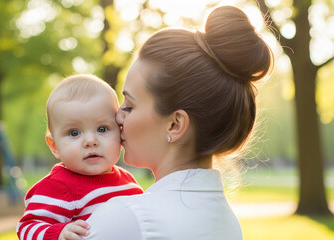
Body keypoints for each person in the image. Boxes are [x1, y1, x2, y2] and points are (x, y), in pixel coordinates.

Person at [83, 5, 274, 240]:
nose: (117, 116)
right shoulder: (228, 223)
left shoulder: (127, 218)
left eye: (130, 106)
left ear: (175, 124)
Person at [17, 74, 143, 240]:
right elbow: (27, 228)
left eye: (103, 129)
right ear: (55, 146)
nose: (90, 141)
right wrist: (58, 233)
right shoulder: (57, 187)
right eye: (74, 132)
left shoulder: (127, 181)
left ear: (121, 133)